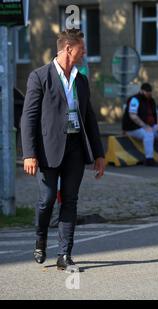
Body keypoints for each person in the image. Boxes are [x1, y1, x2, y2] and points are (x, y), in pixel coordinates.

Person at [21, 29, 105, 272]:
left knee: (70, 200)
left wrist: (98, 154)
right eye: (82, 48)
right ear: (69, 49)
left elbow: (89, 118)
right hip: (47, 150)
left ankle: (64, 255)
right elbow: (29, 118)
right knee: (46, 201)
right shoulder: (39, 77)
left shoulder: (81, 79)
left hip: (75, 148)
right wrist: (29, 153)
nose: (85, 52)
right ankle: (40, 239)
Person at [122, 83, 158, 166]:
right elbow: (133, 116)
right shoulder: (135, 99)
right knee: (148, 133)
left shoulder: (151, 100)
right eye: (147, 92)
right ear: (142, 91)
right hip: (133, 128)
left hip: (150, 126)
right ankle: (149, 159)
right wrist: (145, 126)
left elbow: (157, 114)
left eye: (150, 92)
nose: (148, 94)